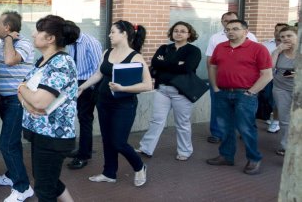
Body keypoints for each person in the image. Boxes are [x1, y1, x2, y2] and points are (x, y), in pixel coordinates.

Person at [78, 20, 152, 186]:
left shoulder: (136, 57)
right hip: (103, 102)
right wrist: (82, 87)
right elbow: (98, 74)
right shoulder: (107, 52)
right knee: (107, 139)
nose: (110, 35)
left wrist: (122, 88)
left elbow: (148, 85)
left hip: (124, 106)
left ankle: (140, 166)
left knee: (118, 142)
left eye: (113, 32)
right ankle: (109, 173)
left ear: (124, 33)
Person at [17, 15, 78, 202]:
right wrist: (27, 98)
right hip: (42, 133)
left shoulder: (61, 63)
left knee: (44, 189)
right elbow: (23, 90)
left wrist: (24, 93)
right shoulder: (43, 60)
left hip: (53, 137)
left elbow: (40, 102)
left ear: (50, 38)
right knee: (46, 180)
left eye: (38, 30)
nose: (33, 34)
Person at [206, 19, 272, 175]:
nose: (230, 31)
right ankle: (226, 156)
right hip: (222, 92)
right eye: (228, 29)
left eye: (235, 28)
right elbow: (213, 67)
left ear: (246, 31)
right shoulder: (220, 47)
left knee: (246, 128)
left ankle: (254, 158)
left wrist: (251, 92)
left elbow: (267, 75)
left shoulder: (258, 49)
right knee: (224, 127)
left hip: (245, 94)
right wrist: (215, 87)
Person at [136, 21, 202, 161]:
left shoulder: (193, 51)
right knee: (156, 120)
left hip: (181, 92)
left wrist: (165, 64)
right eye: (176, 30)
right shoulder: (164, 48)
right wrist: (176, 64)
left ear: (189, 34)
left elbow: (187, 68)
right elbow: (155, 63)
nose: (178, 33)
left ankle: (185, 151)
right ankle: (146, 148)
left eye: (183, 31)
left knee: (182, 123)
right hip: (162, 90)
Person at [0, 11, 35, 202]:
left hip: (18, 101)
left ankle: (23, 187)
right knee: (13, 142)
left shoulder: (23, 43)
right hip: (6, 100)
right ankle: (11, 175)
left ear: (8, 28)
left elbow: (10, 60)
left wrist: (9, 39)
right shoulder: (3, 43)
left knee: (7, 144)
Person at [205, 11, 257, 144]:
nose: (228, 25)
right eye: (225, 21)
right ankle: (217, 133)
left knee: (243, 112)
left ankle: (244, 137)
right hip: (220, 81)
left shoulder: (250, 37)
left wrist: (253, 88)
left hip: (243, 84)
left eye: (232, 21)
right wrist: (214, 83)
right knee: (217, 109)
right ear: (222, 22)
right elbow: (210, 61)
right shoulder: (215, 38)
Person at [65, 26, 103, 170]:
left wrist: (89, 86)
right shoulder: (74, 43)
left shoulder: (90, 42)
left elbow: (98, 68)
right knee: (83, 118)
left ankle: (83, 156)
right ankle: (84, 149)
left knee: (85, 119)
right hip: (78, 83)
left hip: (89, 84)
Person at [270, 26, 297, 157]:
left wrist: (295, 73)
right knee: (284, 119)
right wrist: (276, 51)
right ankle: (286, 146)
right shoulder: (279, 51)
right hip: (281, 89)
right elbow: (270, 67)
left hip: (298, 89)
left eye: (289, 36)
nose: (286, 39)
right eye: (282, 37)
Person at [261, 23, 288, 133]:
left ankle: (276, 121)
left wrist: (282, 74)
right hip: (268, 77)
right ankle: (270, 115)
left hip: (283, 80)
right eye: (276, 30)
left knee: (278, 101)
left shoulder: (292, 46)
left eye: (280, 30)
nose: (277, 32)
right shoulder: (266, 44)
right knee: (267, 97)